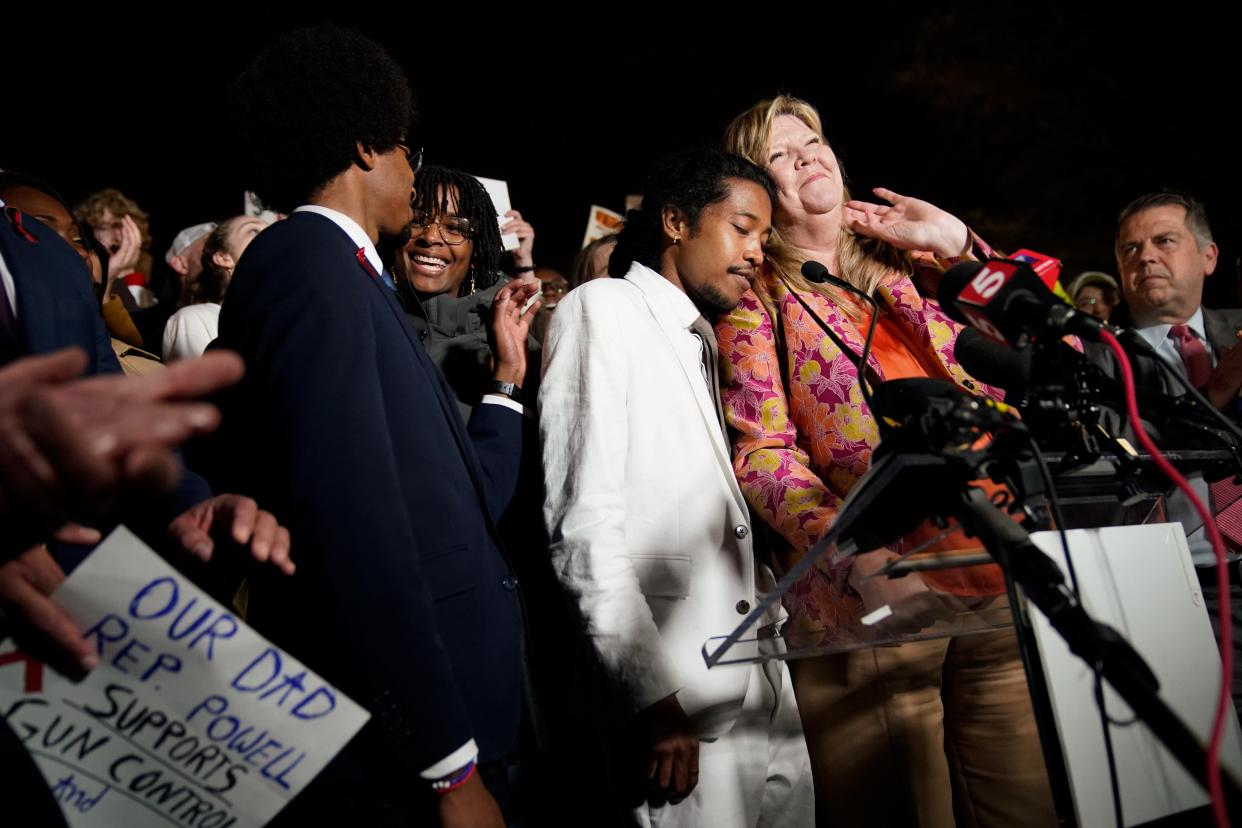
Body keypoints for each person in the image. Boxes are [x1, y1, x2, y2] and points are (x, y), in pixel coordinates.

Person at [197, 25, 540, 827]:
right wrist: (447, 768)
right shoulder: (307, 266)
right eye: (404, 151)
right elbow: (358, 530)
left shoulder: (350, 276)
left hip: (462, 715)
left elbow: (447, 503)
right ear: (365, 145)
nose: (411, 175)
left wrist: (506, 385)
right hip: (409, 753)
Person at [717, 94, 1056, 827]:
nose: (807, 154)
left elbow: (1038, 334)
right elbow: (765, 458)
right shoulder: (757, 302)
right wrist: (851, 551)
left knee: (1025, 810)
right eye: (780, 153)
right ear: (758, 191)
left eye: (812, 139)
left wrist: (955, 238)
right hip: (871, 608)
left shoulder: (915, 270)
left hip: (990, 577)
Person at [540, 148, 813, 827]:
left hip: (759, 685)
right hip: (677, 708)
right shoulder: (601, 307)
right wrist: (651, 698)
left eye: (764, 237)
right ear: (674, 221)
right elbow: (584, 526)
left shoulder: (701, 338)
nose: (757, 251)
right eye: (742, 227)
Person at [1085, 191, 1242, 712]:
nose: (1145, 256)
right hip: (1179, 588)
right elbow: (1123, 456)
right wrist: (1218, 392)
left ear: (1209, 256)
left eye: (1164, 241)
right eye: (1130, 250)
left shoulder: (1238, 331)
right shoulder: (1095, 359)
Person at [393, 164, 541, 419]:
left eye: (454, 227)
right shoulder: (362, 317)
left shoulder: (509, 341)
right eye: (418, 220)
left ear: (476, 253)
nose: (431, 237)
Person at [163, 214, 270, 361]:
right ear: (223, 257)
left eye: (273, 229)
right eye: (253, 231)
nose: (271, 236)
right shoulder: (197, 319)